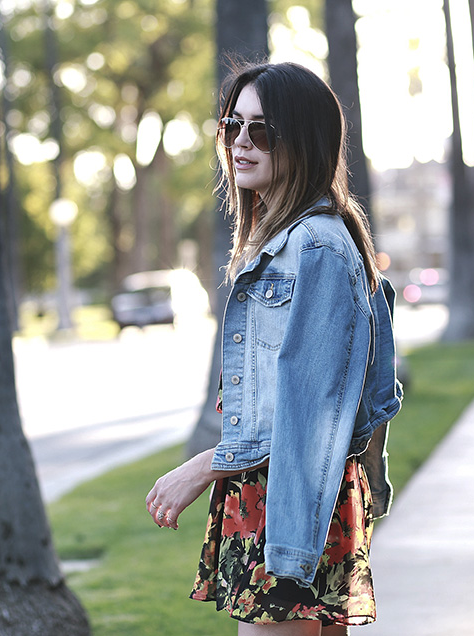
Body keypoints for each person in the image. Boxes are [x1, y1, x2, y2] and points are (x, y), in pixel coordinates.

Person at [146, 61, 402, 636]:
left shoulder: (316, 248)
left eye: (261, 130)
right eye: (231, 125)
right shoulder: (291, 240)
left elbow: (307, 410)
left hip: (287, 496)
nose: (240, 142)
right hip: (284, 490)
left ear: (304, 140)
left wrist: (202, 468)